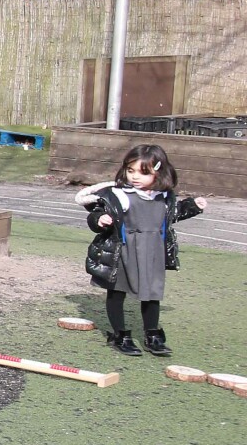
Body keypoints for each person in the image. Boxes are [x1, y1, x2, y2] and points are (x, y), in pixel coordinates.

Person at [76, 143, 207, 358]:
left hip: (152, 250)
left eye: (143, 172)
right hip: (123, 249)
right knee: (117, 291)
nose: (135, 176)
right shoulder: (119, 195)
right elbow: (96, 213)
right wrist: (99, 219)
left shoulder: (163, 197)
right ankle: (120, 334)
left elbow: (172, 215)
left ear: (159, 172)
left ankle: (152, 334)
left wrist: (193, 206)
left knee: (152, 293)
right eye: (130, 170)